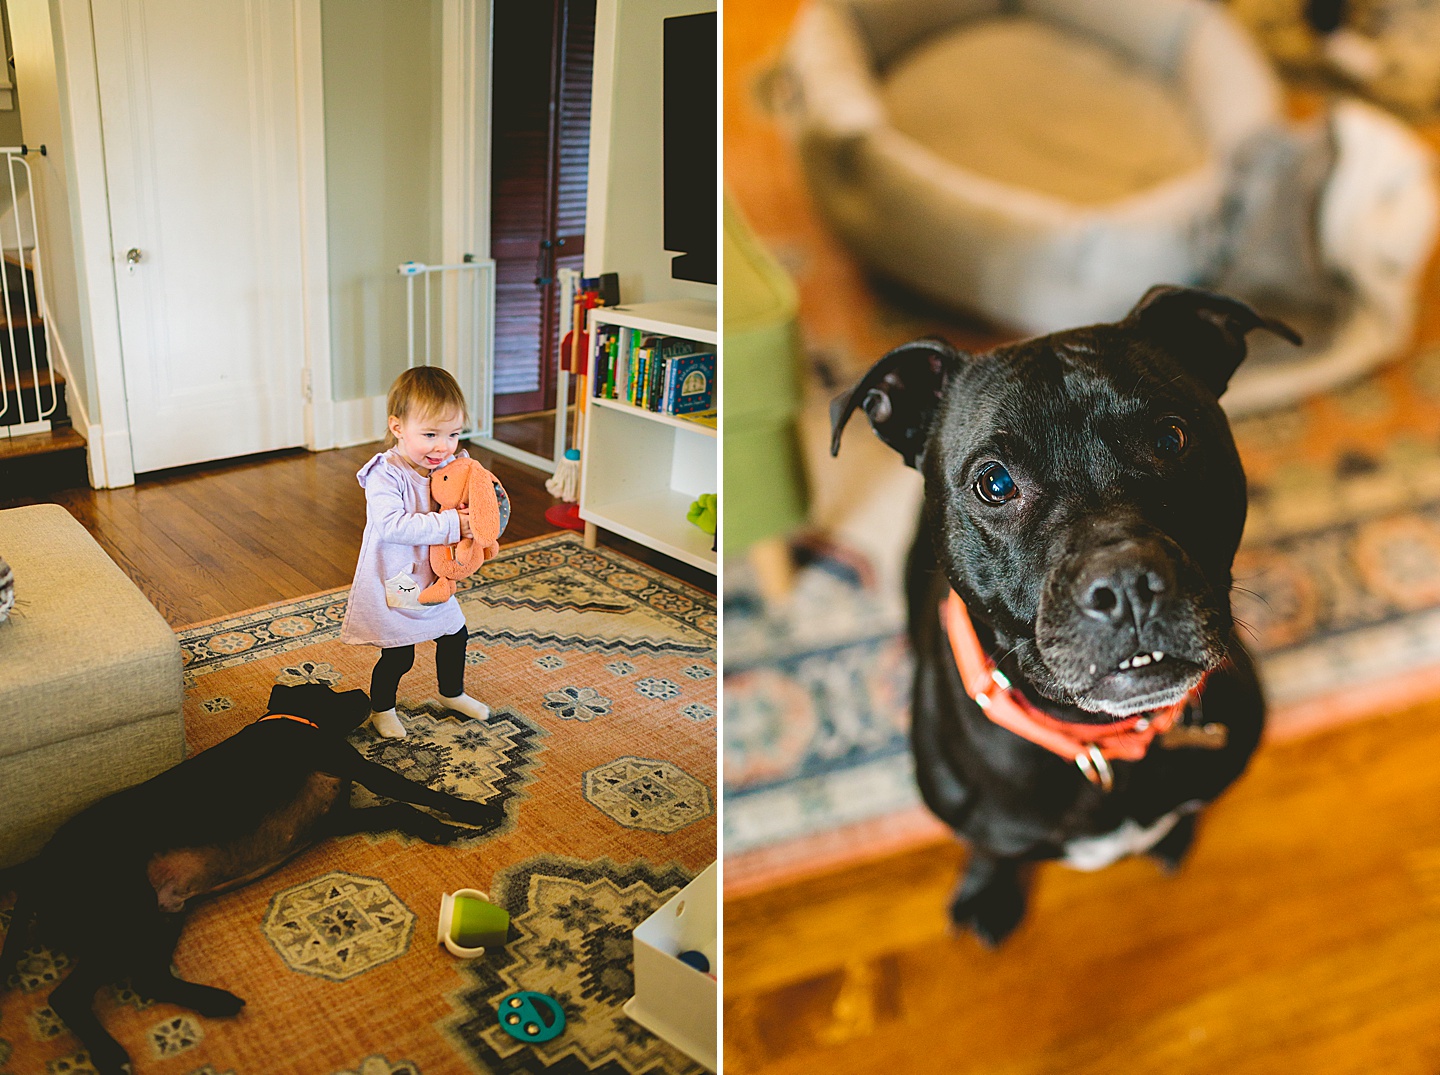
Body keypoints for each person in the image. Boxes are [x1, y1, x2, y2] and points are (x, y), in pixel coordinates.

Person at [340, 366, 491, 738]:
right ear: (397, 427)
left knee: (454, 633)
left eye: (453, 434)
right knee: (400, 649)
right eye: (430, 435)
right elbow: (394, 526)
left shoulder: (452, 466)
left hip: (435, 574)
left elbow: (476, 498)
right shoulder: (384, 474)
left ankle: (451, 692)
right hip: (399, 577)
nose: (443, 446)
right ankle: (382, 708)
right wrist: (455, 524)